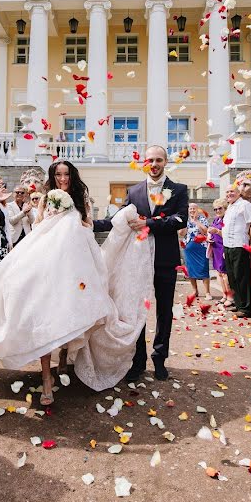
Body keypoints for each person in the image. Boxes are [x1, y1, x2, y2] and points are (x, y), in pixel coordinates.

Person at [0, 159, 154, 405]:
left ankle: (63, 359)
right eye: (58, 175)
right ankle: (45, 380)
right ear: (52, 177)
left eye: (66, 174)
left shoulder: (80, 198)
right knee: (41, 313)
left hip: (74, 264)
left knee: (68, 311)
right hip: (47, 261)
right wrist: (53, 219)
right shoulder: (44, 198)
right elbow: (39, 225)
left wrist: (74, 226)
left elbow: (88, 225)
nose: (63, 179)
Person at [94, 146, 188, 381]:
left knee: (164, 311)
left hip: (165, 260)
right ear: (144, 163)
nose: (154, 164)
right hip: (137, 261)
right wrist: (90, 224)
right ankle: (137, 362)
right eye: (150, 160)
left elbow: (180, 219)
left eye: (158, 160)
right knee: (136, 311)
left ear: (165, 161)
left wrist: (150, 224)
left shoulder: (178, 189)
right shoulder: (134, 191)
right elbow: (118, 219)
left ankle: (159, 358)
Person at [221, 186, 251, 318]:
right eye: (228, 191)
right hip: (228, 245)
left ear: (238, 193)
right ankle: (238, 303)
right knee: (232, 276)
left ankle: (246, 308)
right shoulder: (230, 206)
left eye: (232, 191)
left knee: (241, 276)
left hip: (240, 245)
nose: (229, 194)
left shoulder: (245, 205)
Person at [182, 203, 211, 299]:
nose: (192, 210)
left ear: (197, 209)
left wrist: (196, 221)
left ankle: (207, 292)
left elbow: (205, 231)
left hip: (201, 247)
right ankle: (195, 291)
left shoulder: (202, 219)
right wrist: (185, 224)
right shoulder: (185, 219)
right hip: (189, 248)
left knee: (204, 268)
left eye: (194, 209)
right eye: (190, 209)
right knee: (190, 270)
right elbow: (182, 233)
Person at [206, 199, 230, 304]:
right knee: (219, 273)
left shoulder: (227, 220)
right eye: (215, 209)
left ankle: (230, 297)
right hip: (216, 248)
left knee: (225, 274)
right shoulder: (216, 220)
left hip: (223, 247)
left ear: (225, 208)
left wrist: (217, 231)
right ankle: (224, 295)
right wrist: (208, 237)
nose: (217, 211)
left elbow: (227, 234)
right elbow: (210, 232)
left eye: (220, 208)